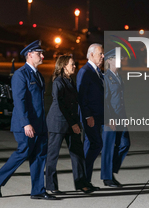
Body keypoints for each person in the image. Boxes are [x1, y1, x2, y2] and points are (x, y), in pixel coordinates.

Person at [0, 40, 56, 200]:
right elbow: (19, 101)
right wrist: (26, 123)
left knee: (40, 155)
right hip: (25, 124)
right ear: (30, 54)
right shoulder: (21, 74)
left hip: (40, 124)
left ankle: (38, 190)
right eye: (39, 53)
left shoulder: (38, 75)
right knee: (24, 151)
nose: (42, 55)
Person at [46, 55, 94, 194]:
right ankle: (51, 186)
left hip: (71, 122)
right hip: (58, 123)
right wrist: (73, 123)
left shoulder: (69, 80)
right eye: (72, 64)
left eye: (74, 64)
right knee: (53, 156)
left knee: (77, 154)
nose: (75, 66)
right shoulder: (58, 82)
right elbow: (61, 105)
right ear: (63, 66)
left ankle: (81, 183)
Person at [76, 43, 104, 190]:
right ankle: (82, 180)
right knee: (96, 144)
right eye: (100, 53)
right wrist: (87, 116)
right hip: (91, 117)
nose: (103, 56)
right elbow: (82, 97)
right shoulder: (85, 71)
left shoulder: (97, 71)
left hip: (98, 116)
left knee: (90, 146)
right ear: (91, 54)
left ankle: (85, 182)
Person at [101, 49, 130, 187]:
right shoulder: (106, 77)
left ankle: (110, 170)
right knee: (108, 148)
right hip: (111, 118)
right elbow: (105, 100)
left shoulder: (118, 76)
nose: (122, 60)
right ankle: (107, 178)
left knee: (125, 143)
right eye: (119, 57)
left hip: (120, 117)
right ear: (110, 60)